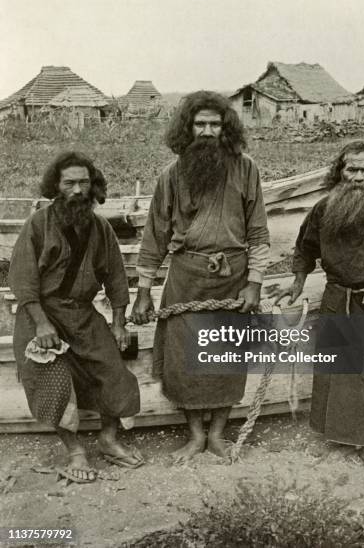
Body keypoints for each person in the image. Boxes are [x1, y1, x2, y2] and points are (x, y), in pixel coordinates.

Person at [131, 91, 270, 462]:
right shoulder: (171, 175)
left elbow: (258, 232)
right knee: (185, 359)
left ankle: (218, 436)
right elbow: (155, 235)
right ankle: (195, 436)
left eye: (215, 124)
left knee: (227, 357)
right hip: (186, 277)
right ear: (187, 128)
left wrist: (254, 282)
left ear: (226, 128)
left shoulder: (246, 168)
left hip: (234, 278)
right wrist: (143, 290)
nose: (207, 131)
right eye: (200, 124)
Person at [270, 141, 364, 471]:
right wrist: (296, 283)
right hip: (337, 299)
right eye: (351, 169)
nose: (359, 177)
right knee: (334, 373)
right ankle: (337, 441)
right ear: (340, 172)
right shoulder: (324, 208)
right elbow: (304, 250)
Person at [9, 152, 143, 483]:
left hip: (82, 314)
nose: (78, 190)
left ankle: (108, 440)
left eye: (84, 182)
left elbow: (115, 277)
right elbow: (23, 280)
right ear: (56, 186)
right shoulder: (38, 225)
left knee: (114, 372)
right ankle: (75, 452)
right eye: (70, 183)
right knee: (52, 379)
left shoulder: (100, 228)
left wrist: (118, 321)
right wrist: (41, 324)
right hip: (42, 314)